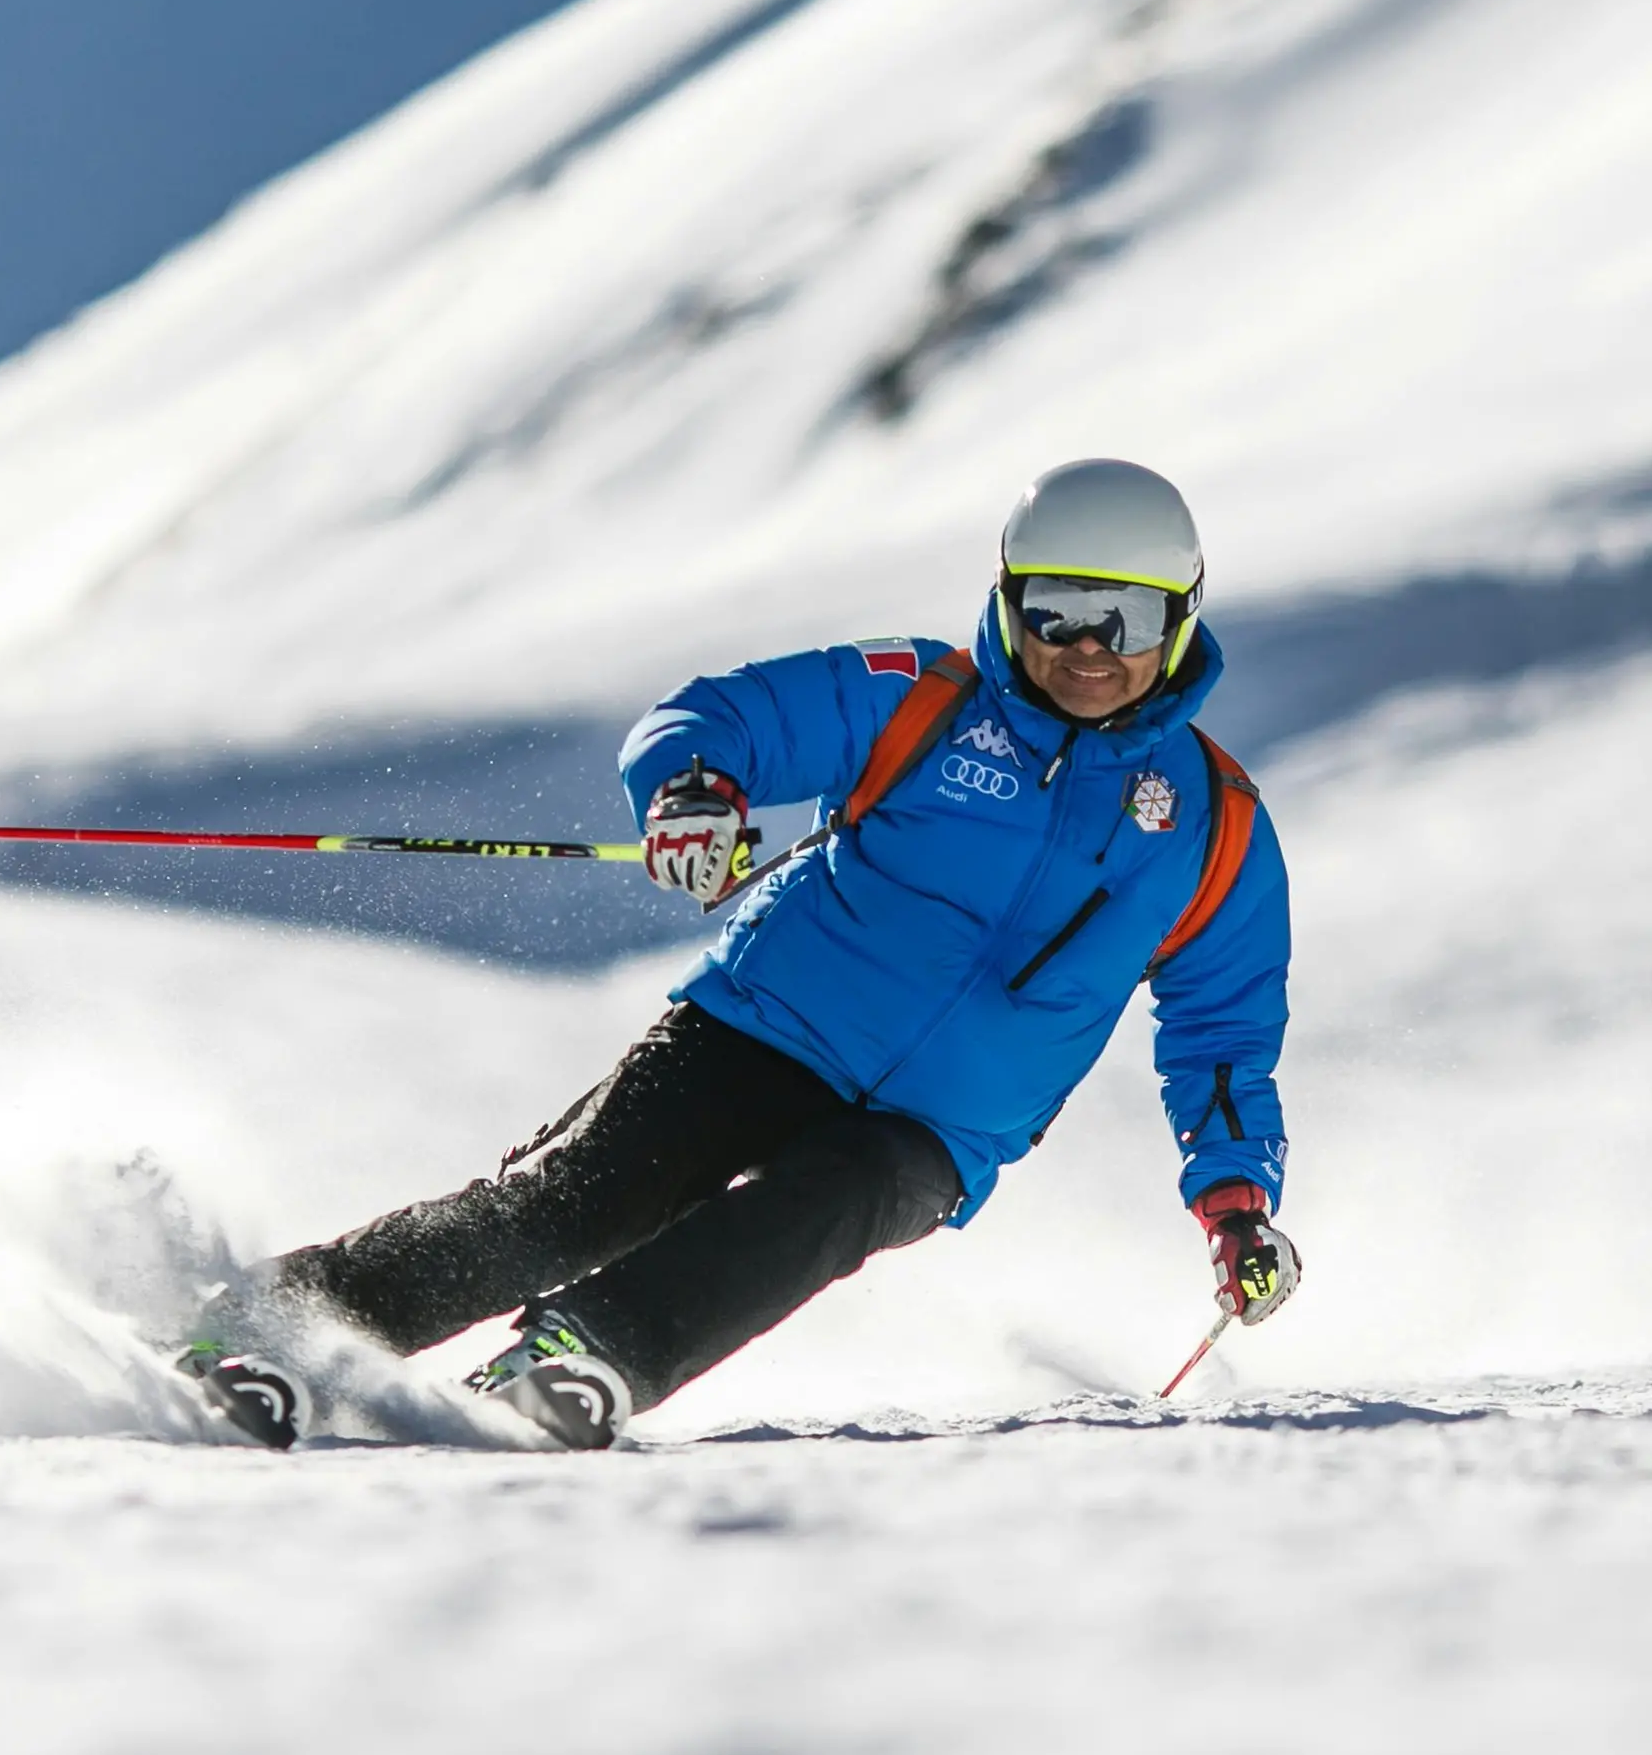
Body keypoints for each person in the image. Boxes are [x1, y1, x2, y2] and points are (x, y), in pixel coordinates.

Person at [184, 459, 1300, 1449]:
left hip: (940, 1128)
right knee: (573, 1204)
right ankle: (266, 1328)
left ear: (1181, 619)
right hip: (765, 1025)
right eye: (1056, 612)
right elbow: (722, 718)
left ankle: (584, 1356)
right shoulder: (922, 697)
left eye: (1125, 618)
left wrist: (1237, 1206)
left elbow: (1222, 1037)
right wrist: (694, 794)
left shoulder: (1216, 827)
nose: (1089, 650)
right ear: (1010, 603)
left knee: (831, 1203)